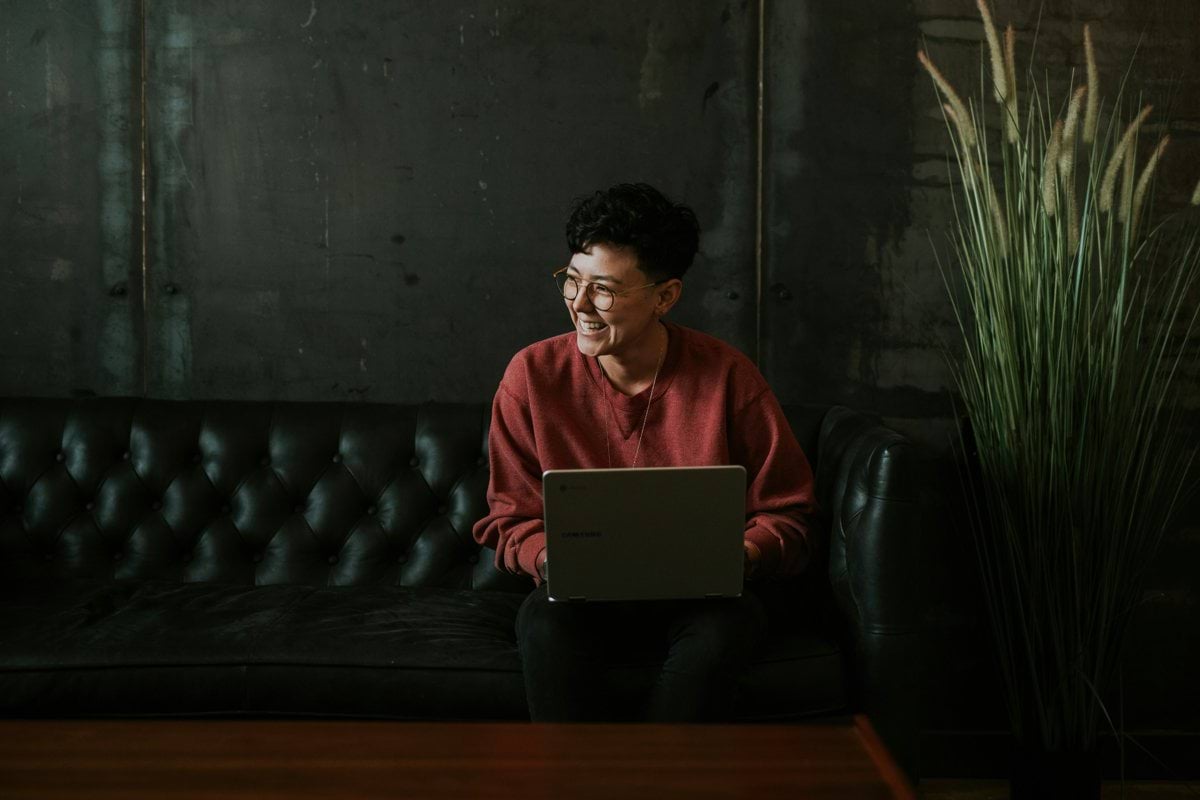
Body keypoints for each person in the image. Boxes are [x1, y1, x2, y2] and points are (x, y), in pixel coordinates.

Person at [472, 182, 817, 722]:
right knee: (543, 623)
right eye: (572, 281)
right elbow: (510, 517)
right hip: (578, 600)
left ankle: (660, 778)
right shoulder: (532, 376)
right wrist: (548, 558)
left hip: (704, 600)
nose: (581, 305)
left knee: (726, 629)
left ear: (665, 296)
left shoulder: (727, 376)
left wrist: (741, 555)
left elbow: (787, 512)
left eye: (603, 289)